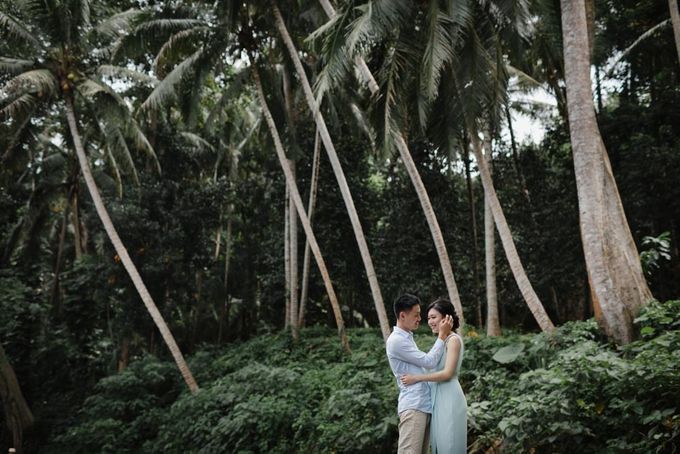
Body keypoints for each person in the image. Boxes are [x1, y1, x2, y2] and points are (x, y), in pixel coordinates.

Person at [386, 293, 454, 454]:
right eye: (416, 315)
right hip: (413, 405)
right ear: (402, 315)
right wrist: (442, 335)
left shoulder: (407, 337)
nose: (419, 319)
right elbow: (429, 362)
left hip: (422, 405)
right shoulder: (397, 340)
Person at [401, 298, 467, 454]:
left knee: (449, 444)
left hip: (449, 397)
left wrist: (415, 378)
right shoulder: (441, 341)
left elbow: (447, 373)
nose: (429, 322)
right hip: (437, 397)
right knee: (439, 446)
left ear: (447, 318)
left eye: (433, 317)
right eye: (428, 318)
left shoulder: (453, 341)